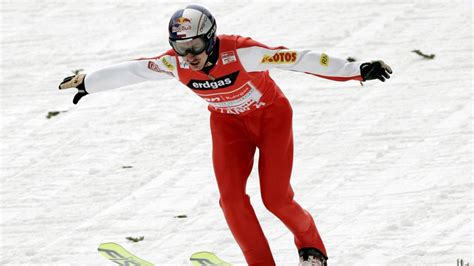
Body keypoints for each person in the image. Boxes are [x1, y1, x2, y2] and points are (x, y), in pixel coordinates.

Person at [59, 5, 392, 266]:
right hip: (228, 126)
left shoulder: (243, 52)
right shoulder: (176, 63)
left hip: (271, 119)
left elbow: (298, 58)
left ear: (212, 36)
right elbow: (134, 69)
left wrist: (355, 70)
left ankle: (311, 247)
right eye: (180, 47)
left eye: (196, 44)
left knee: (275, 199)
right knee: (230, 200)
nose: (189, 55)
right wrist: (89, 82)